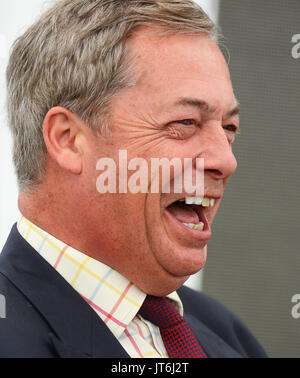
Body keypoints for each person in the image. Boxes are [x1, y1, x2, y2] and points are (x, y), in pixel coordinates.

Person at [0, 0, 267, 358]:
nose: (226, 160)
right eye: (185, 123)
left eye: (229, 128)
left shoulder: (227, 333)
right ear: (68, 139)